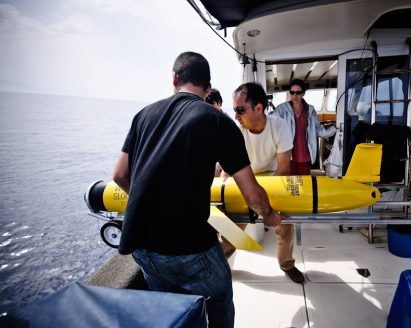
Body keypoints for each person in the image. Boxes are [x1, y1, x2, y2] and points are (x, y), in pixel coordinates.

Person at [112, 51, 286, 327]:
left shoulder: (142, 115)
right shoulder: (218, 121)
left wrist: (151, 203)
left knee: (170, 312)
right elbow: (252, 193)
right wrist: (269, 215)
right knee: (219, 296)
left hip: (141, 245)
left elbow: (120, 174)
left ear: (175, 78)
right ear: (207, 88)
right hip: (188, 247)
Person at [220, 82, 305, 284]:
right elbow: (226, 170)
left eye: (240, 110)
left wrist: (268, 207)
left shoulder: (280, 126)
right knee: (229, 228)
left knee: (284, 221)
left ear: (259, 108)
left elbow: (283, 169)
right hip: (244, 178)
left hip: (273, 178)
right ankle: (219, 265)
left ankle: (287, 264)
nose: (236, 116)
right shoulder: (235, 132)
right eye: (234, 110)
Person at [270, 79, 336, 175]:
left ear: (303, 94)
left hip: (305, 156)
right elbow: (272, 120)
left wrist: (335, 129)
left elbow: (318, 130)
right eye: (292, 92)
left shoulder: (310, 110)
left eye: (298, 92)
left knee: (304, 184)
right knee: (290, 185)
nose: (295, 95)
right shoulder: (281, 109)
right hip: (288, 156)